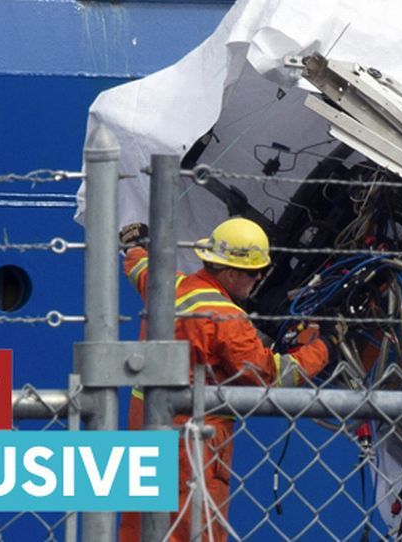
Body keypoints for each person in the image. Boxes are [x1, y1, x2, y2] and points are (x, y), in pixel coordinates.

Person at [117, 217, 332, 542]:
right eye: (252, 272)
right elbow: (270, 377)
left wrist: (135, 247)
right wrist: (324, 349)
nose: (259, 278)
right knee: (194, 531)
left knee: (140, 528)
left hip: (144, 429)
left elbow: (139, 268)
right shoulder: (227, 320)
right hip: (192, 445)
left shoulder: (169, 287)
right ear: (230, 272)